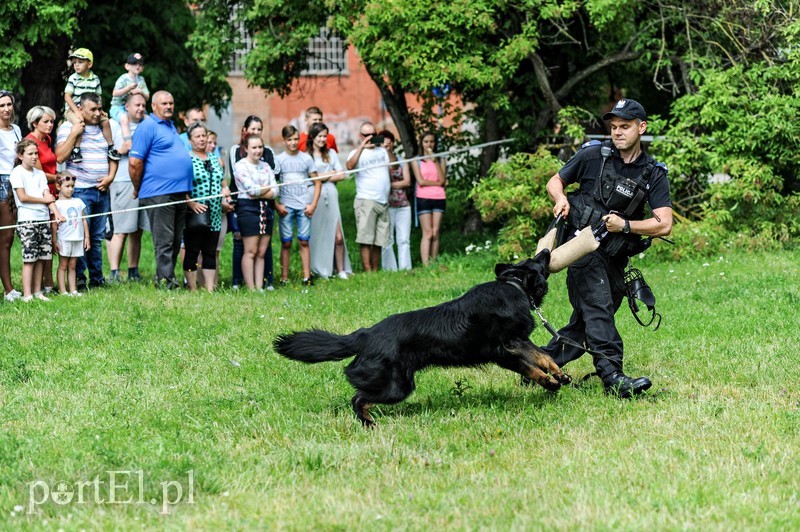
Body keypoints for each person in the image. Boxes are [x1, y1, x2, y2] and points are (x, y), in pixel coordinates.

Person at [539, 98, 673, 398]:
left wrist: (626, 226)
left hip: (615, 257)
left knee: (587, 323)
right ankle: (613, 378)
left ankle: (537, 363)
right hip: (581, 248)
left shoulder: (653, 172)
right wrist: (560, 199)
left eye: (624, 126)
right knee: (598, 310)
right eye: (613, 127)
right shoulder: (591, 155)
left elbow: (664, 224)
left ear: (642, 128)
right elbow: (555, 181)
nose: (617, 132)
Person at [129, 90, 194, 289]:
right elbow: (134, 162)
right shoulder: (147, 127)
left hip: (178, 192)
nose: (168, 106)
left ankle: (165, 277)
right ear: (154, 106)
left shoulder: (171, 126)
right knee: (164, 240)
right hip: (158, 192)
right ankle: (166, 282)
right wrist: (138, 187)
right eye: (164, 103)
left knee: (175, 240)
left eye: (171, 103)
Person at [55, 92, 120, 289]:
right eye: (93, 109)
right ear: (80, 109)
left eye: (99, 108)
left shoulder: (104, 127)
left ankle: (97, 278)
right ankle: (80, 280)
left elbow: (113, 154)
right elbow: (59, 156)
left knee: (97, 236)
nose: (98, 113)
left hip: (101, 190)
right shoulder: (68, 127)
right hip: (81, 190)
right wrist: (75, 132)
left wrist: (110, 177)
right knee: (81, 236)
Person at [228, 115, 280, 289]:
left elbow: (276, 191)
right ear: (247, 148)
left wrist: (260, 191)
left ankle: (260, 286)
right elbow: (252, 191)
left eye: (260, 147)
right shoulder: (240, 166)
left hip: (265, 210)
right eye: (254, 147)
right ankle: (250, 287)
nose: (257, 151)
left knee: (261, 251)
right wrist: (264, 188)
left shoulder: (265, 165)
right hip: (248, 210)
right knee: (249, 251)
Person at [9, 140, 65, 302]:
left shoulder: (40, 174)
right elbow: (23, 197)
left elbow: (48, 197)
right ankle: (27, 294)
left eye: (36, 154)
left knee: (42, 257)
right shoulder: (17, 173)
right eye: (30, 154)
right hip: (28, 220)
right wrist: (43, 200)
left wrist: (57, 214)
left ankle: (37, 292)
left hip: (43, 219)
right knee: (29, 258)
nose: (34, 157)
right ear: (20, 155)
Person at [107, 93, 148, 282]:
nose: (140, 108)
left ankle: (133, 270)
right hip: (123, 180)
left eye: (143, 105)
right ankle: (114, 272)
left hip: (145, 182)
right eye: (137, 105)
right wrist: (120, 150)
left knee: (137, 230)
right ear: (127, 107)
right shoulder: (115, 126)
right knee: (121, 229)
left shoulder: (147, 125)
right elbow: (107, 153)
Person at [184, 122, 229, 292]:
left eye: (204, 136)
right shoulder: (187, 159)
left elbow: (222, 180)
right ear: (190, 140)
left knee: (210, 251)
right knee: (192, 251)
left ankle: (209, 289)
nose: (202, 139)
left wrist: (225, 189)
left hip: (216, 212)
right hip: (196, 213)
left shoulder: (215, 159)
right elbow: (181, 186)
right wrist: (191, 203)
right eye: (197, 136)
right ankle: (193, 289)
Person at [275, 125, 320, 285]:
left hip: (303, 206)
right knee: (286, 242)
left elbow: (317, 181)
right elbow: (272, 184)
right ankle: (284, 278)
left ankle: (307, 277)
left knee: (304, 241)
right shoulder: (279, 160)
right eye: (289, 140)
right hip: (286, 207)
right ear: (284, 141)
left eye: (295, 139)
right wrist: (277, 205)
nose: (293, 143)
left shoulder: (306, 158)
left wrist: (313, 204)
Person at [306, 122, 352, 279]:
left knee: (338, 236)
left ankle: (340, 270)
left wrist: (321, 177)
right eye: (320, 136)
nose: (322, 139)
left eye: (325, 136)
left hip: (331, 196)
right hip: (314, 196)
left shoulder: (331, 153)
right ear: (312, 137)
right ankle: (320, 268)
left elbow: (341, 174)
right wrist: (327, 175)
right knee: (318, 234)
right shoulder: (307, 155)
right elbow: (309, 178)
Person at [346, 121, 391, 272]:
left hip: (383, 200)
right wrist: (362, 147)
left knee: (379, 239)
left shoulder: (382, 151)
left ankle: (375, 269)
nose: (370, 138)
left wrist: (387, 148)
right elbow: (350, 166)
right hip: (366, 199)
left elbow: (395, 165)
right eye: (366, 135)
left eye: (373, 134)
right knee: (366, 238)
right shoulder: (356, 153)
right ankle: (367, 270)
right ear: (361, 136)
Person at [62, 48, 120, 162]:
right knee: (79, 123)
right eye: (75, 63)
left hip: (91, 110)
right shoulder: (73, 78)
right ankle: (76, 150)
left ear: (89, 64)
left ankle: (110, 147)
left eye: (80, 62)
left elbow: (98, 97)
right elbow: (67, 96)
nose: (76, 65)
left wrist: (100, 110)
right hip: (73, 109)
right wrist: (76, 111)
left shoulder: (95, 79)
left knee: (105, 121)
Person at [25, 105, 58, 292]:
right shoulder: (30, 142)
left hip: (52, 190)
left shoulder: (47, 139)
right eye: (46, 121)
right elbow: (38, 174)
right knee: (39, 240)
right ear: (34, 123)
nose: (50, 124)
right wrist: (61, 178)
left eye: (52, 121)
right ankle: (44, 284)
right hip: (38, 194)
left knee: (50, 239)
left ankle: (49, 281)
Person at [412, 131, 447, 266]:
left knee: (435, 232)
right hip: (423, 198)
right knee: (427, 232)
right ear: (422, 143)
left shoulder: (441, 159)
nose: (429, 144)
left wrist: (435, 161)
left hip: (439, 197)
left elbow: (443, 179)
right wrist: (437, 183)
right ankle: (426, 264)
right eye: (426, 142)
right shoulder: (416, 160)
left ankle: (434, 261)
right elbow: (421, 181)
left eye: (431, 141)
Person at [0, 89, 22, 302]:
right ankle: (8, 290)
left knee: (9, 237)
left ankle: (10, 288)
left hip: (17, 180)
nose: (6, 109)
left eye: (8, 104)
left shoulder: (16, 129)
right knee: (5, 238)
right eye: (1, 106)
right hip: (2, 182)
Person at [380, 130, 412, 271]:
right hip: (386, 205)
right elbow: (381, 181)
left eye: (388, 144)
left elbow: (407, 182)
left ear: (392, 144)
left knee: (404, 239)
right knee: (388, 239)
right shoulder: (379, 163)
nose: (386, 147)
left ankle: (405, 267)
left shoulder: (401, 160)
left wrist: (389, 185)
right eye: (383, 145)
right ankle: (390, 269)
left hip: (403, 204)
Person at [54, 172, 90, 296]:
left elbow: (84, 220)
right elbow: (54, 225)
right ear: (59, 187)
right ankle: (63, 291)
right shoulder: (57, 205)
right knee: (63, 265)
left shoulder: (78, 202)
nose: (71, 189)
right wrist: (54, 241)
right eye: (67, 186)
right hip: (64, 239)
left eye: (72, 186)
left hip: (78, 238)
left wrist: (87, 238)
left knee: (73, 265)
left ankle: (73, 290)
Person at [109, 52, 150, 150]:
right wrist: (128, 89)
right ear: (127, 66)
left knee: (148, 119)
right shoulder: (123, 79)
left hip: (135, 107)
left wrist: (140, 91)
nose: (138, 66)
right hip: (118, 106)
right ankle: (128, 141)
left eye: (140, 64)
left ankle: (149, 141)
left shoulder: (141, 80)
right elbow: (114, 93)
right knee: (124, 119)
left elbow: (147, 97)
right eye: (134, 64)